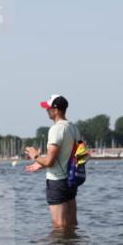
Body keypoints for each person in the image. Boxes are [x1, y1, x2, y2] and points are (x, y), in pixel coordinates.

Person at [24, 95, 80, 231]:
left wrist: (35, 155)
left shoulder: (56, 129)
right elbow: (69, 156)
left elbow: (50, 161)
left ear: (56, 110)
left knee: (59, 226)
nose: (46, 110)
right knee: (72, 224)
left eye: (48, 108)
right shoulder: (73, 128)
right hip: (71, 180)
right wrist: (41, 163)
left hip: (57, 182)